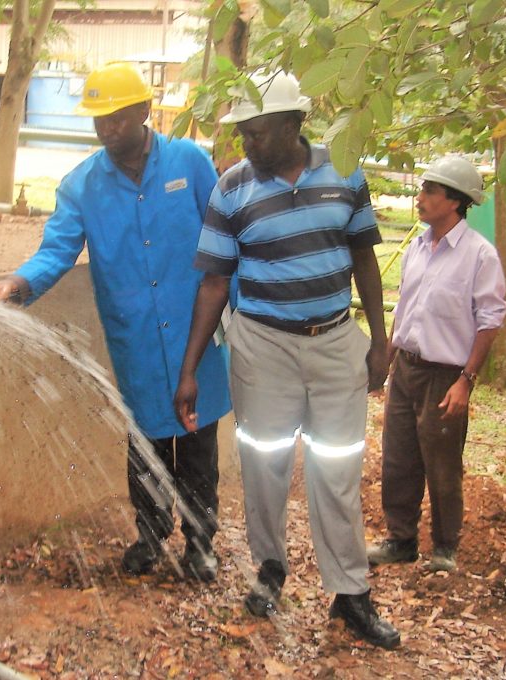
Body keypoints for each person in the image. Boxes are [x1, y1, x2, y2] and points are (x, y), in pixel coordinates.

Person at [173, 71, 400, 648]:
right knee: (264, 467)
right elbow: (213, 284)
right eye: (243, 135)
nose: (247, 145)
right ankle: (270, 569)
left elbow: (364, 259)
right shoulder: (233, 188)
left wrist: (379, 338)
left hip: (334, 342)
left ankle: (351, 594)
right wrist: (189, 369)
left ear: (295, 125)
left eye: (258, 134)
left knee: (338, 470)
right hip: (262, 346)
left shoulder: (345, 170)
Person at [0, 63, 231, 581]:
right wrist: (19, 285)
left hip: (195, 332)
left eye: (116, 116)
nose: (106, 128)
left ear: (144, 111)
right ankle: (150, 534)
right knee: (145, 444)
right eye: (98, 119)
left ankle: (200, 542)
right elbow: (56, 251)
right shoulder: (82, 186)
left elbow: (224, 234)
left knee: (199, 440)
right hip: (135, 338)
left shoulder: (189, 161)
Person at [367, 156, 506, 572]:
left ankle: (444, 550)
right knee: (397, 458)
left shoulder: (479, 256)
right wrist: (387, 360)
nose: (420, 197)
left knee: (442, 464)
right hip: (407, 369)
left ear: (455, 202)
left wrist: (466, 380)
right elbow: (406, 309)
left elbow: (491, 319)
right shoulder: (417, 247)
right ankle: (400, 539)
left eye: (430, 190)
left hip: (446, 375)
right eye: (422, 188)